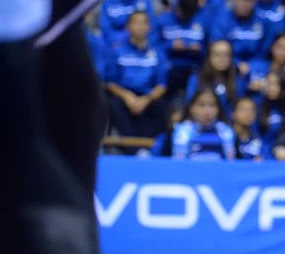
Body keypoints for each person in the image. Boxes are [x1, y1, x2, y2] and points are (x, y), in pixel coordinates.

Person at [101, 10, 169, 140]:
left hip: (148, 96)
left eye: (144, 23)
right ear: (128, 27)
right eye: (136, 23)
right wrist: (127, 96)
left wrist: (146, 99)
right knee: (113, 104)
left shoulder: (158, 52)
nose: (141, 26)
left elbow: (162, 84)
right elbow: (109, 82)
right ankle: (132, 149)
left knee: (161, 105)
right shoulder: (116, 51)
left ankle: (151, 146)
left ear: (149, 27)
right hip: (124, 95)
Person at [171, 90, 237, 160]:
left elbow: (231, 161)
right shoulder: (183, 131)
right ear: (191, 108)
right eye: (201, 105)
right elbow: (179, 162)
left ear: (218, 109)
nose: (207, 111)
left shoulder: (225, 130)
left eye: (212, 105)